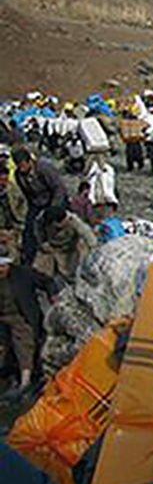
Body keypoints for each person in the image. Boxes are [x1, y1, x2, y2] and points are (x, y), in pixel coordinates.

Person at [12, 147, 67, 267]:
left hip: (53, 201)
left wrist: (54, 207)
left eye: (22, 164)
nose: (21, 168)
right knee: (29, 232)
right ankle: (29, 261)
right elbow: (27, 194)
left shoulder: (43, 168)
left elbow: (58, 188)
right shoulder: (19, 175)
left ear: (28, 161)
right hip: (36, 204)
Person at [0, 258, 37, 401]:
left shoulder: (22, 274)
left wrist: (53, 294)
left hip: (19, 317)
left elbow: (44, 280)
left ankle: (25, 381)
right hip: (2, 318)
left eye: (3, 267)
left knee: (23, 345)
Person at [34, 206, 96, 288]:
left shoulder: (73, 221)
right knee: (39, 271)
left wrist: (93, 250)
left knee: (70, 273)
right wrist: (42, 242)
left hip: (69, 248)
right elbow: (37, 229)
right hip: (50, 247)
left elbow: (88, 236)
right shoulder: (42, 219)